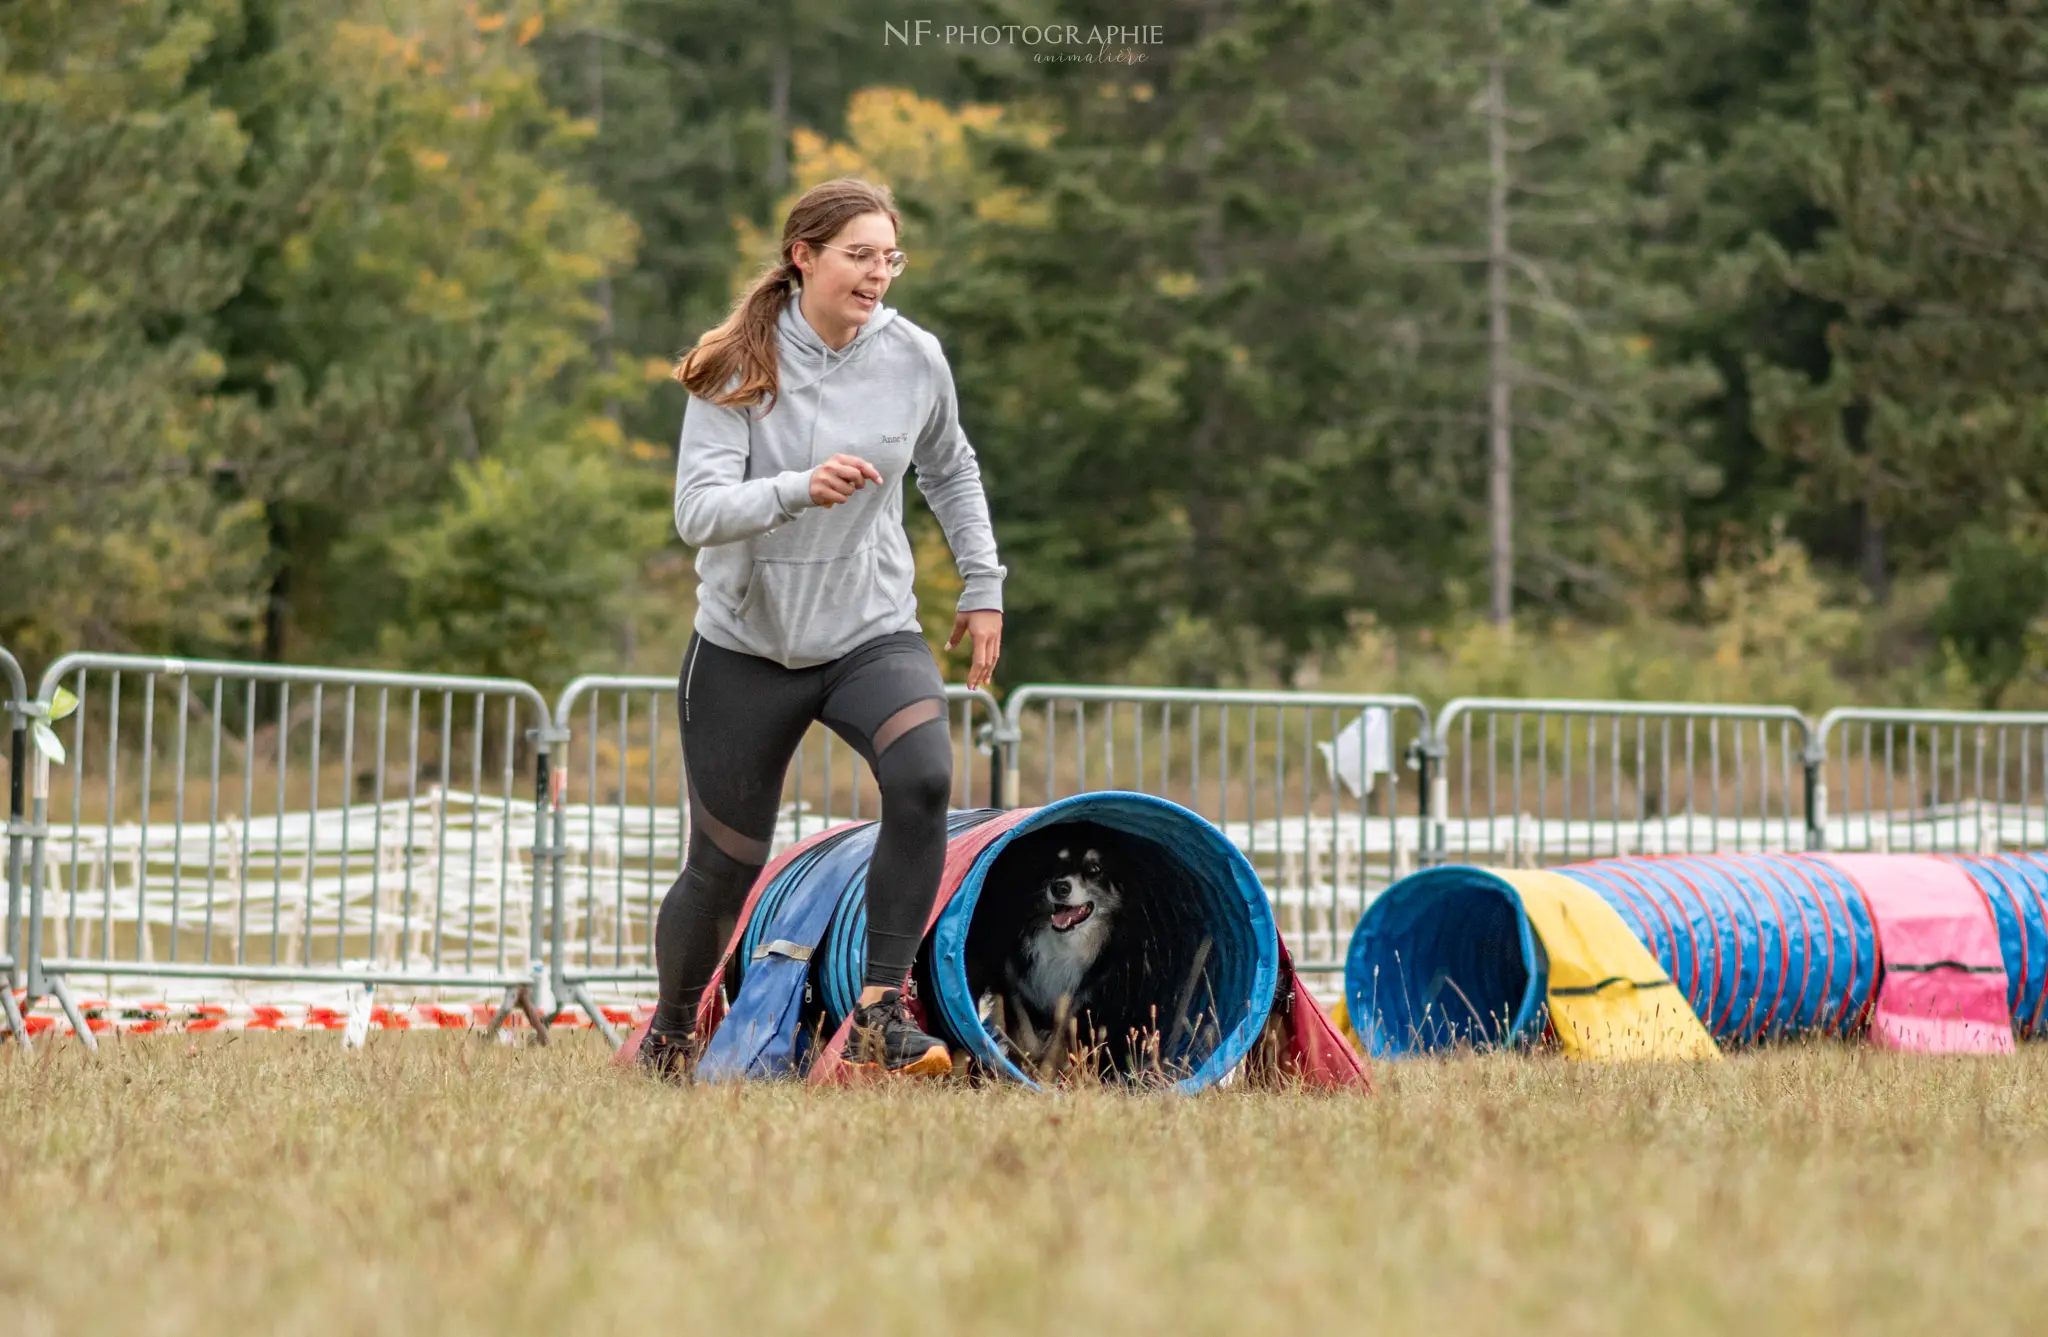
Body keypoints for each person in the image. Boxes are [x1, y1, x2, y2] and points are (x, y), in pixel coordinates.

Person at [637, 177, 1006, 1081]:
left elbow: (950, 470)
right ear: (804, 257)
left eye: (890, 257)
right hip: (745, 648)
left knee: (922, 779)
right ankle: (673, 1032)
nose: (878, 274)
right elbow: (697, 511)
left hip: (868, 630)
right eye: (859, 255)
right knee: (724, 864)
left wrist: (984, 583)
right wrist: (798, 486)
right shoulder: (736, 363)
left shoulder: (915, 356)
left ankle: (882, 1008)